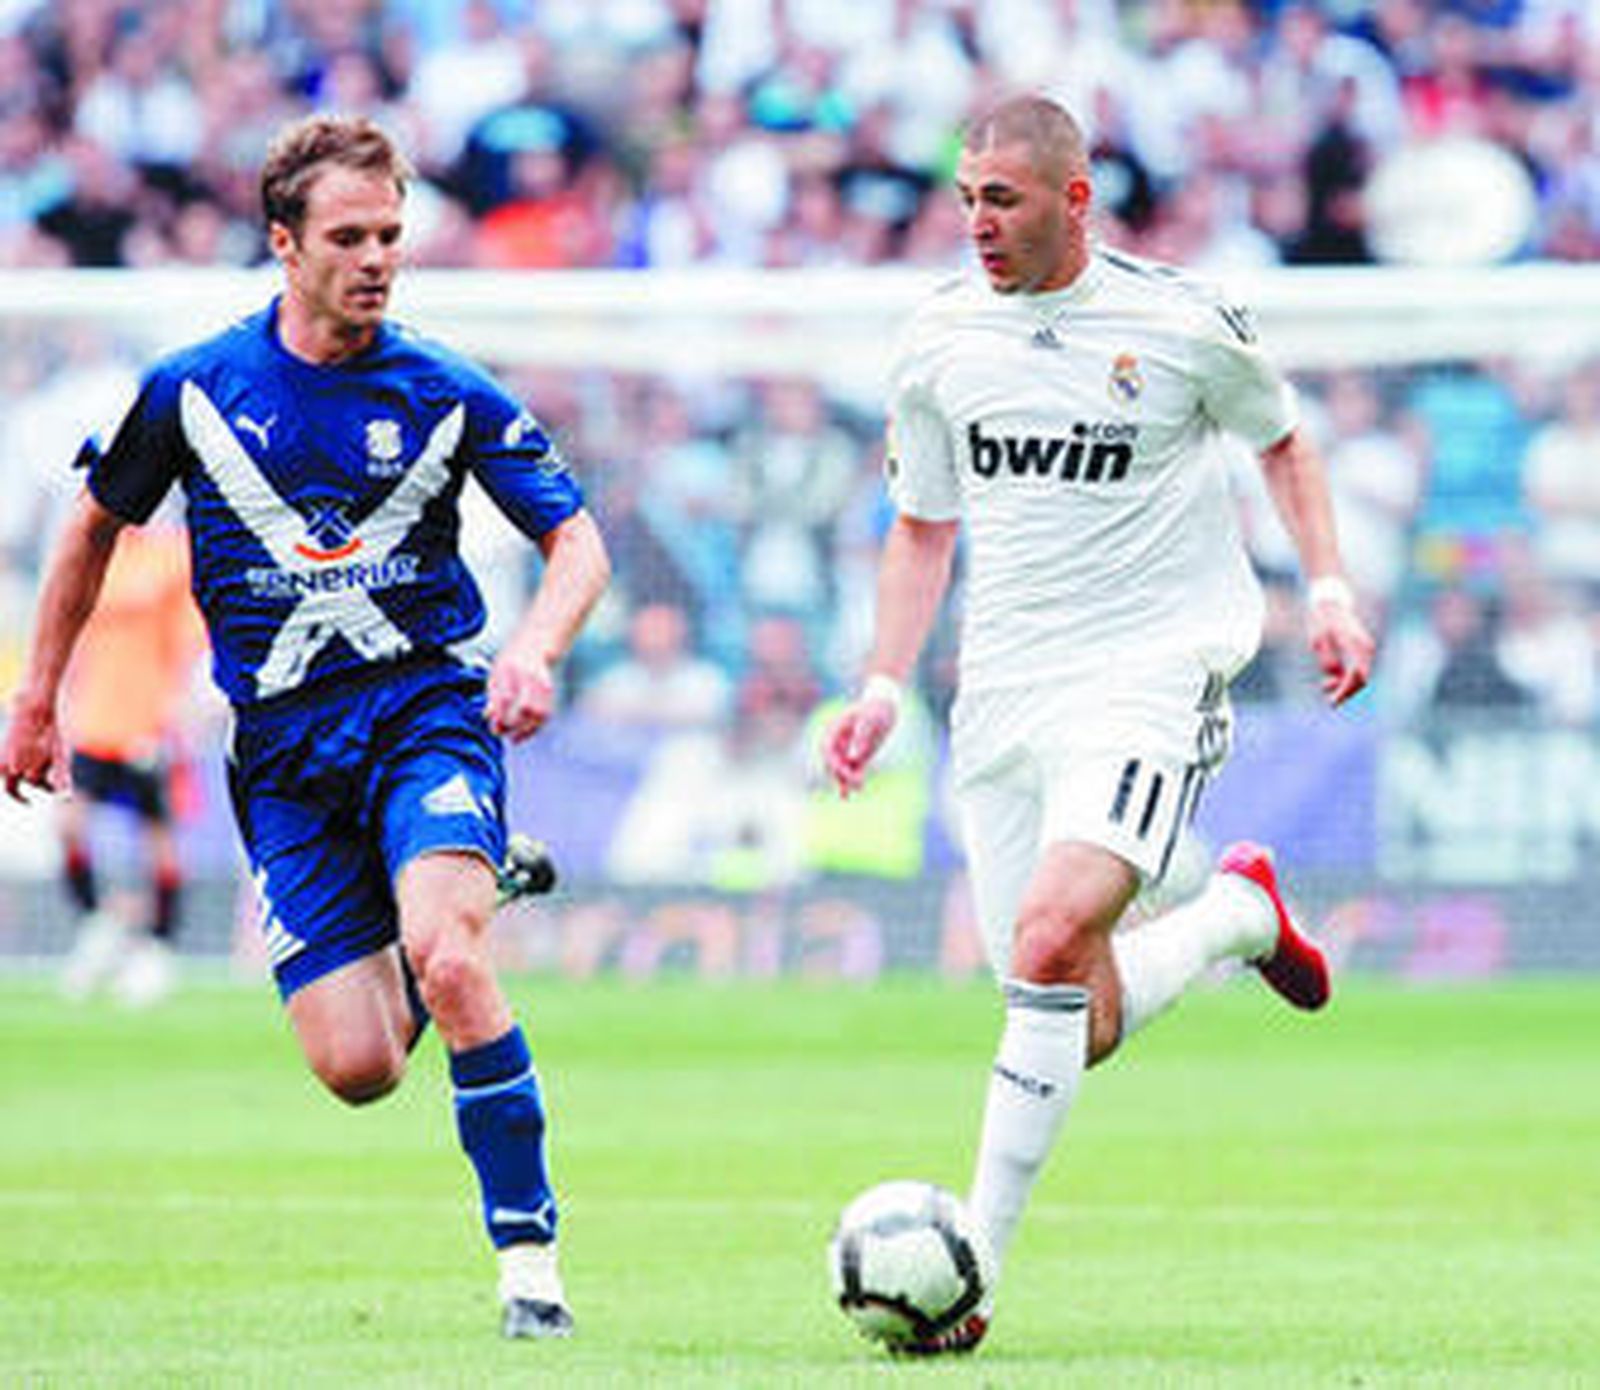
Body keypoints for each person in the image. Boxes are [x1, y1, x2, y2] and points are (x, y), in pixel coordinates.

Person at [1, 114, 611, 1341]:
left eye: (391, 233)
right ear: (284, 243)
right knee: (360, 1067)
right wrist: (35, 695)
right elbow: (89, 529)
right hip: (282, 754)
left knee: (447, 955)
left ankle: (531, 1272)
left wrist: (534, 650)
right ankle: (465, 884)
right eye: (349, 236)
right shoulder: (194, 388)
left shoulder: (444, 388)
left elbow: (577, 540)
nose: (377, 257)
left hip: (422, 711)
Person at [823, 94, 1374, 1355]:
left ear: (1074, 200)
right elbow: (921, 526)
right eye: (963, 197)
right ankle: (1239, 916)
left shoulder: (1178, 320)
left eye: (1000, 199)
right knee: (1079, 1005)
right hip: (1002, 692)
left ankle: (974, 1269)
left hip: (1148, 670)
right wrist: (878, 682)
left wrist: (1327, 588)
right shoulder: (939, 342)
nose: (976, 222)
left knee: (1051, 925)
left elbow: (1284, 443)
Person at [56, 517, 209, 1006]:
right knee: (70, 824)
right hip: (96, 720)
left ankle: (157, 948)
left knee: (158, 839)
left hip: (149, 721)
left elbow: (190, 639)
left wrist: (181, 707)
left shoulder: (171, 556)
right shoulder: (94, 550)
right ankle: (98, 921)